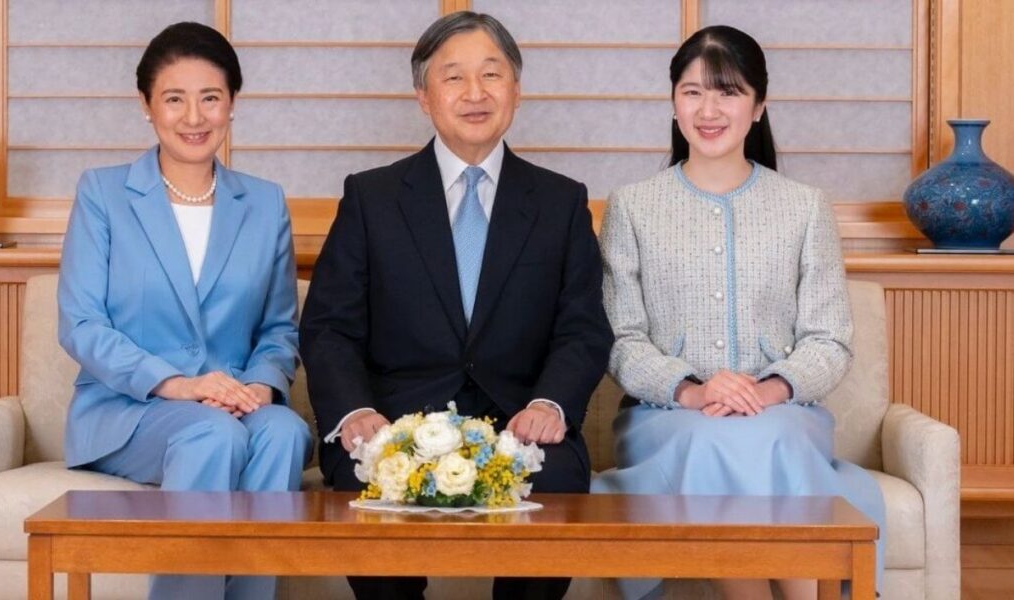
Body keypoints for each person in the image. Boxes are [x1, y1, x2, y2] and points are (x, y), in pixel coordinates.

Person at [300, 11, 613, 600]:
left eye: (491, 75)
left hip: (522, 424)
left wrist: (550, 404)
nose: (475, 93)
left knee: (563, 484)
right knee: (367, 499)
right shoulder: (371, 197)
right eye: (453, 78)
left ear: (516, 90)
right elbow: (329, 330)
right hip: (394, 425)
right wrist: (354, 413)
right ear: (423, 96)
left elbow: (583, 328)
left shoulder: (560, 202)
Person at [590, 25, 886, 600]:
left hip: (785, 417)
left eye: (728, 92)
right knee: (714, 441)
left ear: (759, 107)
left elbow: (829, 340)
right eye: (693, 91)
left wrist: (767, 391)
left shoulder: (805, 207)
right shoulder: (632, 206)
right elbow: (621, 339)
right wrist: (695, 393)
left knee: (760, 438)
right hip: (667, 421)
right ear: (674, 103)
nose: (709, 109)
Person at [57, 22, 312, 600]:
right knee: (212, 437)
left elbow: (277, 327)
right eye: (175, 98)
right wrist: (177, 384)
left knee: (284, 434)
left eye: (211, 98)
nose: (194, 117)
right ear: (146, 105)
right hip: (131, 410)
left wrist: (261, 388)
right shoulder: (104, 193)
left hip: (236, 402)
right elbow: (81, 322)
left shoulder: (265, 201)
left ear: (232, 105)